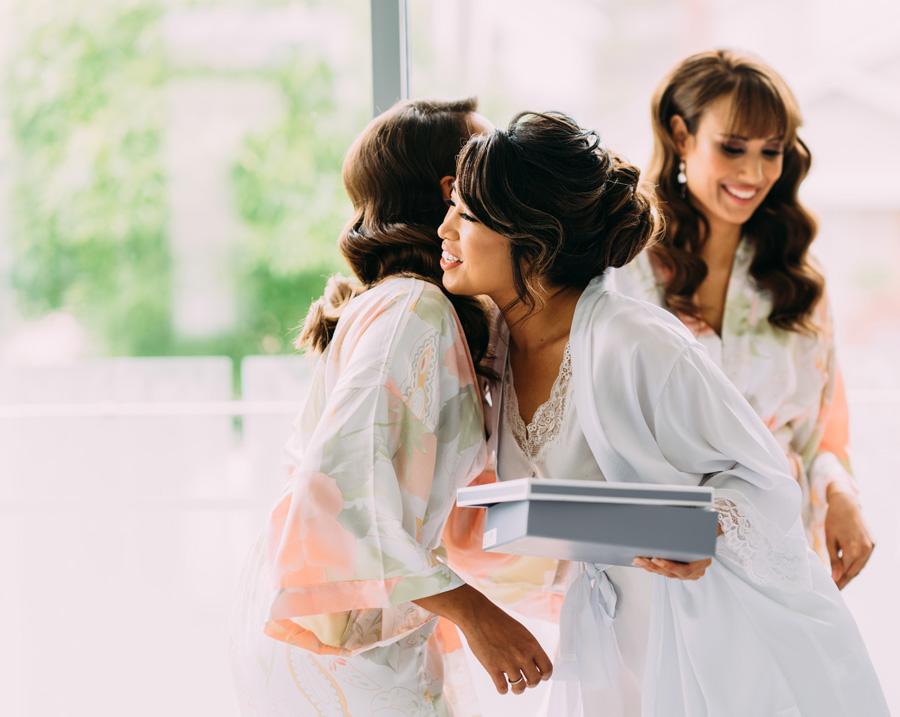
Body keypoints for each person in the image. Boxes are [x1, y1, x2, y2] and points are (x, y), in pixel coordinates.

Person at [439, 110, 888, 716]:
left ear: (532, 236)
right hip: (617, 635)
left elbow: (767, 483)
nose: (443, 229)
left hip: (724, 640)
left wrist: (706, 528)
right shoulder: (495, 345)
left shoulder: (636, 343)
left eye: (465, 214)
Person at [230, 98, 552, 717]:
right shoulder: (412, 310)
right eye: (491, 175)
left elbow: (446, 515)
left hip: (363, 630)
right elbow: (337, 487)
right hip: (340, 644)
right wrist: (476, 614)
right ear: (450, 190)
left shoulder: (421, 311)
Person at [610, 49, 873, 586]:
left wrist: (840, 490)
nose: (753, 173)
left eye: (771, 151)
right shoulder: (623, 272)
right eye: (732, 147)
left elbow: (816, 435)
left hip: (775, 557)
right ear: (682, 136)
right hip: (656, 564)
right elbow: (598, 436)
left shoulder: (796, 283)